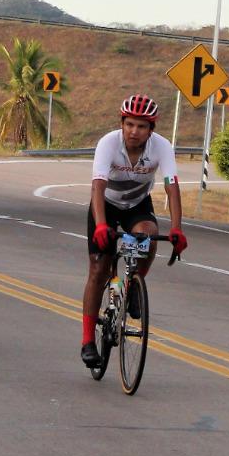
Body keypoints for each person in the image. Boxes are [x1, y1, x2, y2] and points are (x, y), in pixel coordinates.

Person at [79, 94, 187, 368]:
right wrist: (102, 225)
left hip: (137, 204)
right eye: (129, 125)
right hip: (105, 204)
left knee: (149, 236)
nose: (134, 132)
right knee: (98, 267)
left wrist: (176, 229)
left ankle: (135, 284)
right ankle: (88, 340)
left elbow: (171, 187)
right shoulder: (108, 143)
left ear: (151, 129)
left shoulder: (161, 147)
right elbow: (98, 186)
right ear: (122, 123)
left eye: (141, 126)